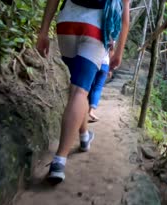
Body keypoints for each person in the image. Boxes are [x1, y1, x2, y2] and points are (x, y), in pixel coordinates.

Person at [36, 0, 130, 184]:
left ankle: (84, 137)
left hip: (66, 25)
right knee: (80, 91)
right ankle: (59, 161)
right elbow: (125, 17)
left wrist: (43, 31)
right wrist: (119, 51)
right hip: (96, 29)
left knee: (78, 88)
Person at [88, 43, 115, 122]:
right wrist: (110, 69)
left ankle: (84, 108)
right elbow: (111, 53)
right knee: (98, 88)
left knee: (90, 85)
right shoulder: (112, 36)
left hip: (93, 61)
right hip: (105, 64)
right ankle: (91, 111)